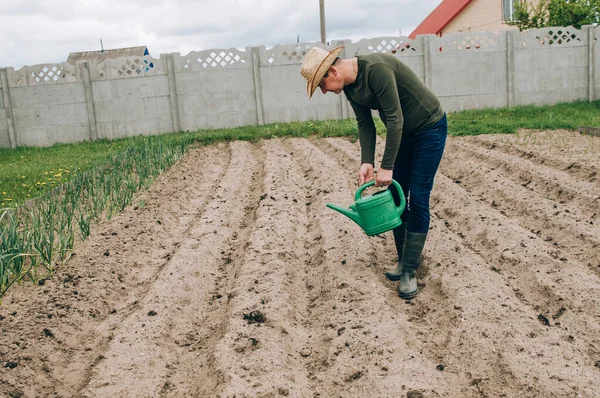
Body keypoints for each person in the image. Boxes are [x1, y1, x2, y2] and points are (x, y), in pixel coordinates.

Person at [300, 46, 447, 300]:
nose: (324, 91)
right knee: (396, 195)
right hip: (406, 134)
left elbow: (394, 118)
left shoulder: (377, 69)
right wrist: (366, 161)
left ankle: (410, 272)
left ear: (332, 70)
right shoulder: (350, 87)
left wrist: (387, 166)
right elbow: (365, 123)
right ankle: (403, 261)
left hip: (428, 129)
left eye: (321, 85)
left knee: (418, 197)